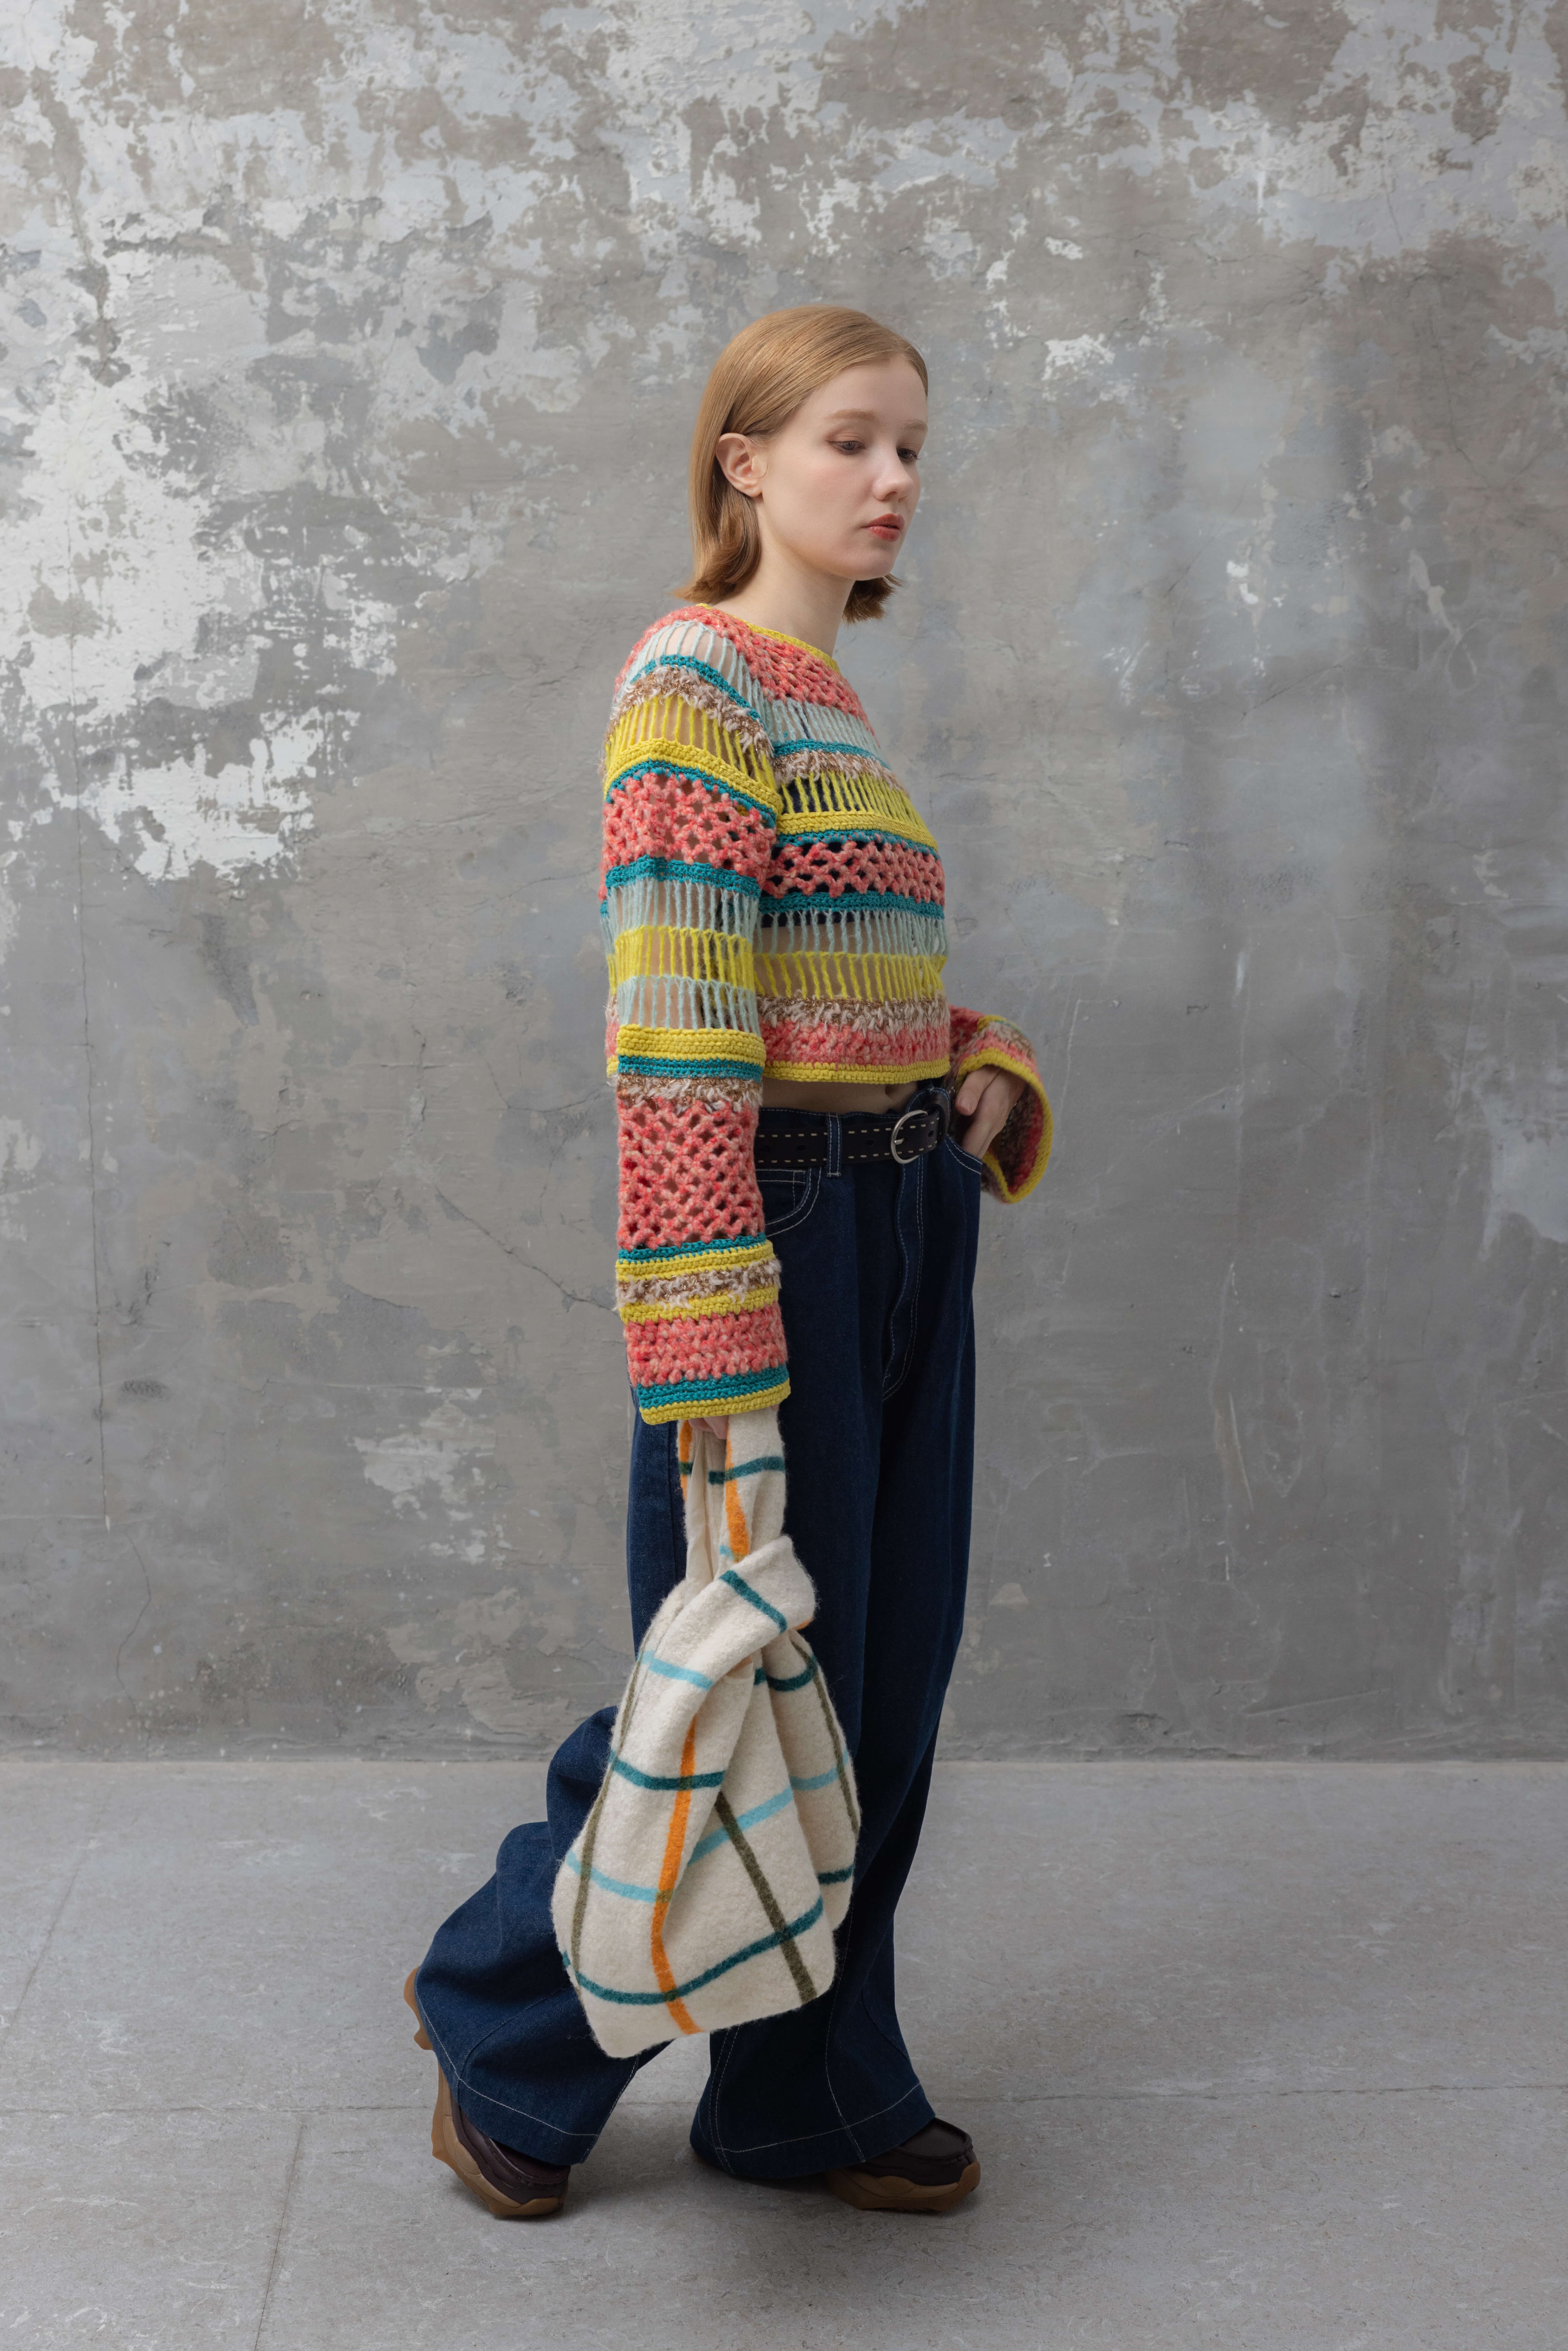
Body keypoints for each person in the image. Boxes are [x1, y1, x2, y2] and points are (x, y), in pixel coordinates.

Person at [405, 304, 1053, 2220]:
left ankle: (805, 2092)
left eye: (910, 444)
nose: (893, 477)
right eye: (850, 440)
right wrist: (707, 1346)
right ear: (744, 462)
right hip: (780, 1229)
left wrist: (975, 1070)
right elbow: (679, 1027)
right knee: (746, 1668)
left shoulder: (819, 691)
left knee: (881, 1682)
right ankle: (502, 2027)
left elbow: (831, 987)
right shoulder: (693, 684)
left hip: (901, 1216)